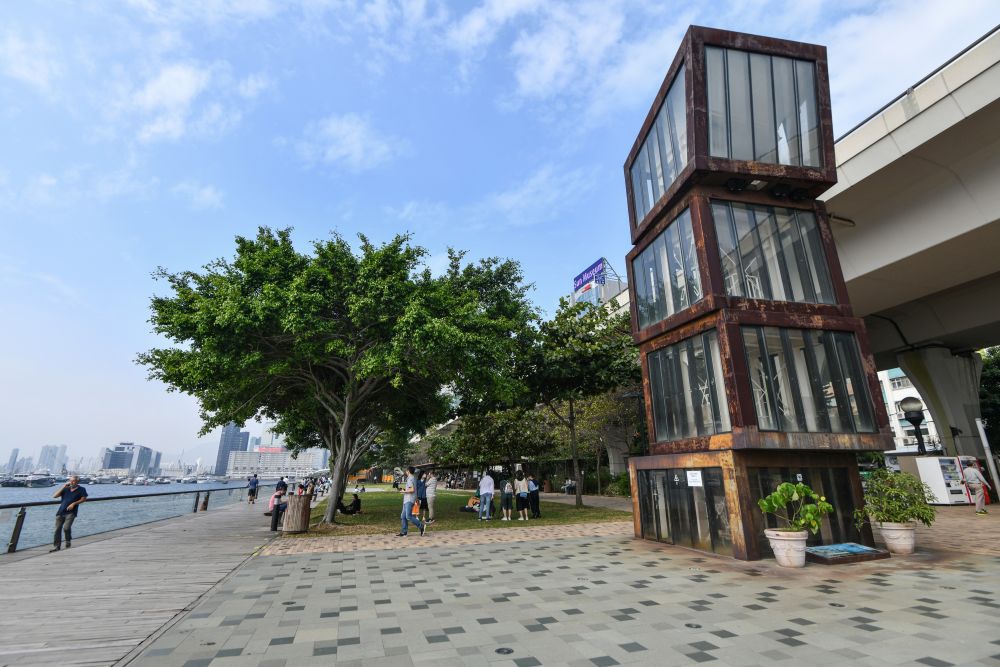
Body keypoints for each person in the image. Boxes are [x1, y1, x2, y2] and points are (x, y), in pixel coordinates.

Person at [50, 475, 87, 552]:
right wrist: (63, 487)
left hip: (71, 512)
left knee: (66, 527)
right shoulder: (66, 489)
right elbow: (55, 496)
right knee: (57, 529)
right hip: (61, 512)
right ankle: (57, 546)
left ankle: (68, 540)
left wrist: (74, 504)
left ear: (77, 481)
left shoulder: (81, 489)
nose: (71, 482)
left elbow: (83, 499)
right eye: (70, 480)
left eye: (73, 481)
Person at [397, 466, 425, 537]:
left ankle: (421, 526)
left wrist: (404, 491)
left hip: (409, 500)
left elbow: (412, 490)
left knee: (408, 516)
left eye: (406, 471)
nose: (406, 472)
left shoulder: (410, 479)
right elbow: (412, 489)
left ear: (408, 471)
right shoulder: (413, 478)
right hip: (407, 499)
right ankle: (404, 532)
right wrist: (405, 491)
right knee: (403, 516)